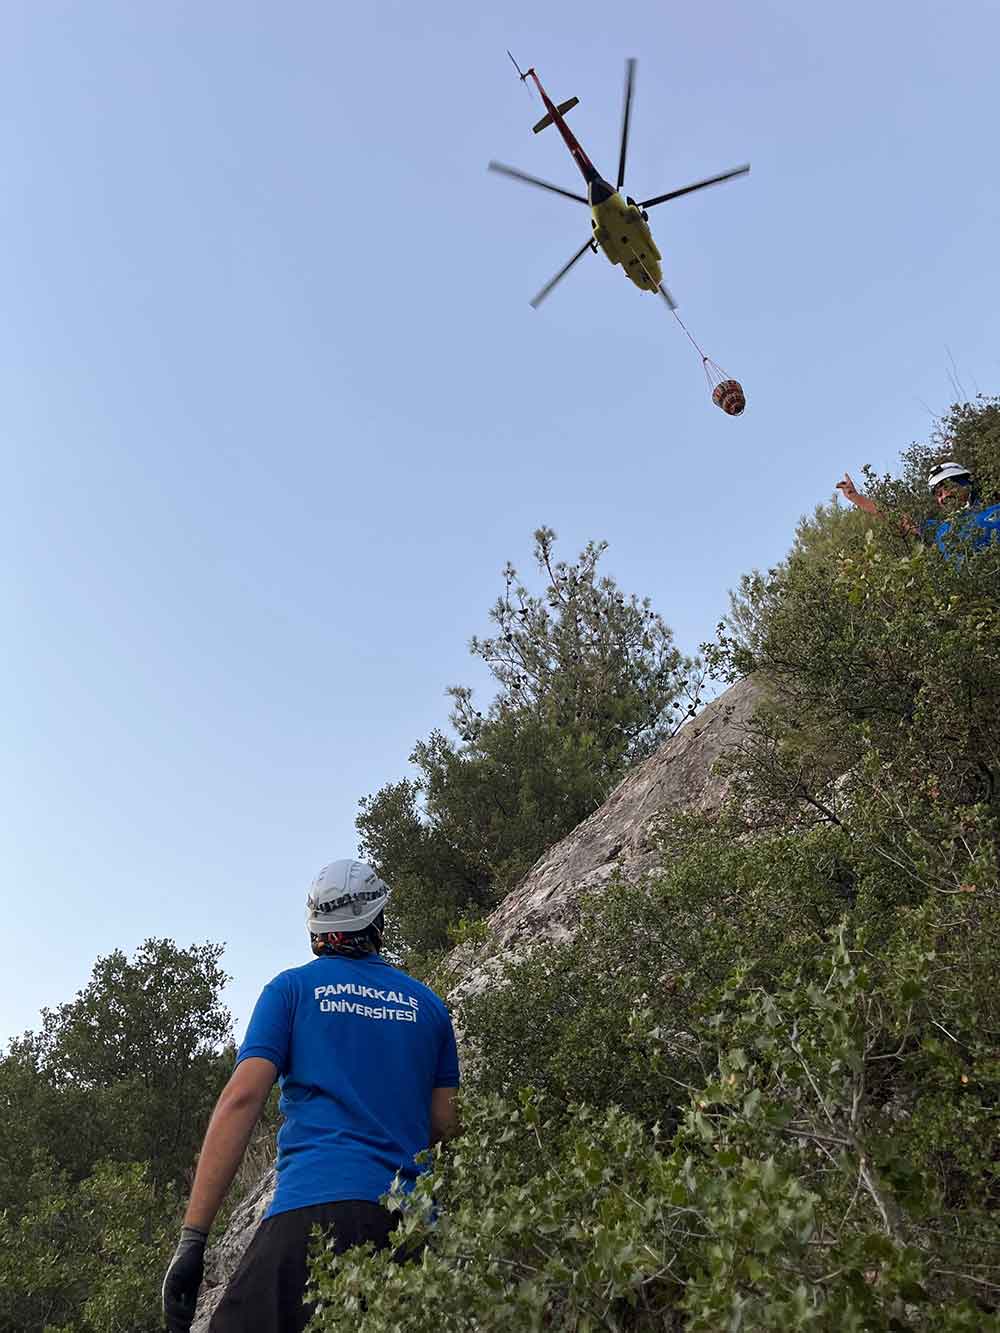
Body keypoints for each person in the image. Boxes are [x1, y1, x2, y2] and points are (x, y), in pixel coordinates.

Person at [162, 859, 460, 1333]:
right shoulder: (429, 1006)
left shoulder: (291, 990)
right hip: (410, 1223)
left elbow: (242, 1099)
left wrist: (193, 1239)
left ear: (315, 927)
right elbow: (443, 1124)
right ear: (379, 918)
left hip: (311, 1212)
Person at [836, 460, 1000, 557]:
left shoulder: (994, 506)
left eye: (946, 488)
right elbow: (900, 519)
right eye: (938, 494)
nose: (942, 497)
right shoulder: (941, 530)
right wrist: (856, 498)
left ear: (964, 483)